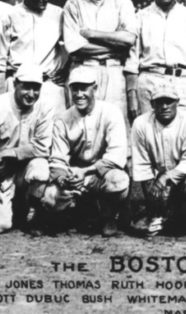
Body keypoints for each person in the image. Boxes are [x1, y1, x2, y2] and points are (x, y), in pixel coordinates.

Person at [42, 67, 129, 237]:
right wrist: (63, 178)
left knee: (119, 180)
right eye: (75, 89)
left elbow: (116, 155)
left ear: (95, 89)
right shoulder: (63, 119)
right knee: (50, 197)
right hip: (75, 175)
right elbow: (57, 158)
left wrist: (86, 171)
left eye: (84, 89)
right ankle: (76, 214)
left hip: (101, 174)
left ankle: (109, 216)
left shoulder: (111, 112)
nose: (79, 94)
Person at [0, 64, 54, 233]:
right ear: (15, 84)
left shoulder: (45, 106)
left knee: (41, 167)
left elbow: (43, 147)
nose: (31, 94)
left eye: (36, 88)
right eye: (26, 87)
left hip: (25, 168)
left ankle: (34, 213)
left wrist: (6, 153)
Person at [63, 0, 138, 130]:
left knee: (115, 126)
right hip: (84, 68)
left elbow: (129, 39)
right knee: (81, 128)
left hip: (114, 71)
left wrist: (92, 34)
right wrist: (115, 45)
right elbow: (74, 48)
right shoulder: (73, 4)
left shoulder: (123, 2)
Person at [130, 82, 186, 237]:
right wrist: (153, 204)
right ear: (152, 104)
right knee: (163, 218)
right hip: (165, 182)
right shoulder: (141, 124)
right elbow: (142, 165)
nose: (164, 106)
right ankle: (177, 215)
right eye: (159, 102)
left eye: (169, 101)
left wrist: (165, 178)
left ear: (177, 102)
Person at [0, 0, 67, 116]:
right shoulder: (10, 15)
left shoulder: (58, 13)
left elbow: (73, 46)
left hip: (49, 84)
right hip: (19, 85)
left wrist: (65, 72)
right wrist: (0, 95)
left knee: (55, 128)